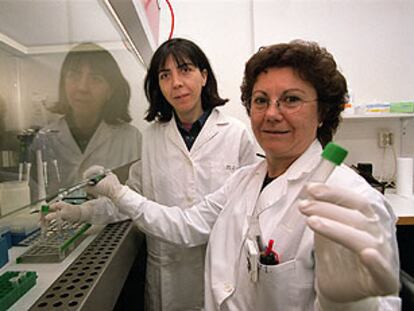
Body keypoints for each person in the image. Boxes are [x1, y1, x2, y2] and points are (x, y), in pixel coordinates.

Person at [50, 40, 400, 310]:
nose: (272, 114)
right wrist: (103, 200)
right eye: (261, 101)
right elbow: (185, 224)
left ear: (323, 111)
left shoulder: (353, 200)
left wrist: (354, 306)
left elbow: (379, 299)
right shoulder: (245, 181)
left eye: (291, 99)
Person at [48, 38, 257, 310]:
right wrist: (83, 213)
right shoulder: (152, 138)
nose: (177, 82)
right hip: (167, 276)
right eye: (165, 75)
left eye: (185, 70)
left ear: (203, 76)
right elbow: (130, 200)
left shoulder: (236, 134)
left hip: (220, 273)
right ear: (158, 85)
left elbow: (249, 213)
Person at [32, 42, 142, 198]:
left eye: (95, 79)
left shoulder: (130, 138)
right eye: (74, 76)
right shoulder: (46, 137)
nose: (82, 87)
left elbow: (138, 198)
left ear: (110, 91)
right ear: (63, 83)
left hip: (112, 222)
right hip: (57, 220)